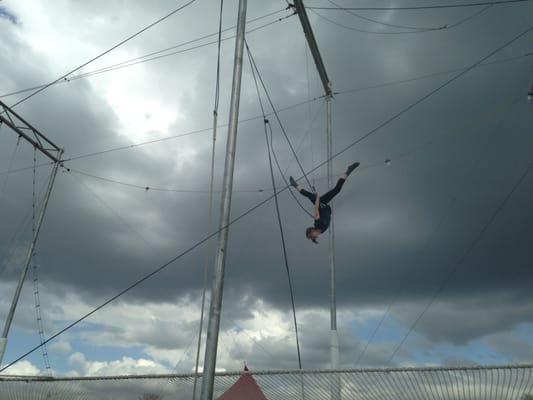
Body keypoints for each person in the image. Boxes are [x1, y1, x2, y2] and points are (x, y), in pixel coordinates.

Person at [289, 162, 359, 243]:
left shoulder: (317, 223)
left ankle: (349, 170)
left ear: (312, 231)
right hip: (324, 204)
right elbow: (314, 236)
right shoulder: (322, 231)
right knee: (312, 194)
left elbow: (316, 208)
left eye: (312, 235)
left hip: (320, 204)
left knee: (336, 189)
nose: (315, 236)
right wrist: (313, 240)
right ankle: (294, 185)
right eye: (313, 237)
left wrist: (317, 198)